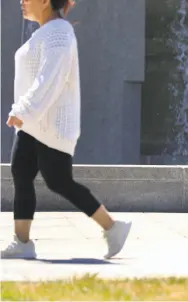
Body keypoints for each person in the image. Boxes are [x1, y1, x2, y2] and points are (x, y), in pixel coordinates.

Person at [2, 0, 132, 259]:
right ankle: (22, 241)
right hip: (34, 123)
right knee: (21, 171)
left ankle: (113, 227)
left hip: (49, 124)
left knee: (59, 181)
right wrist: (25, 113)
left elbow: (51, 76)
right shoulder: (45, 32)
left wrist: (24, 110)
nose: (22, 2)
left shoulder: (59, 32)